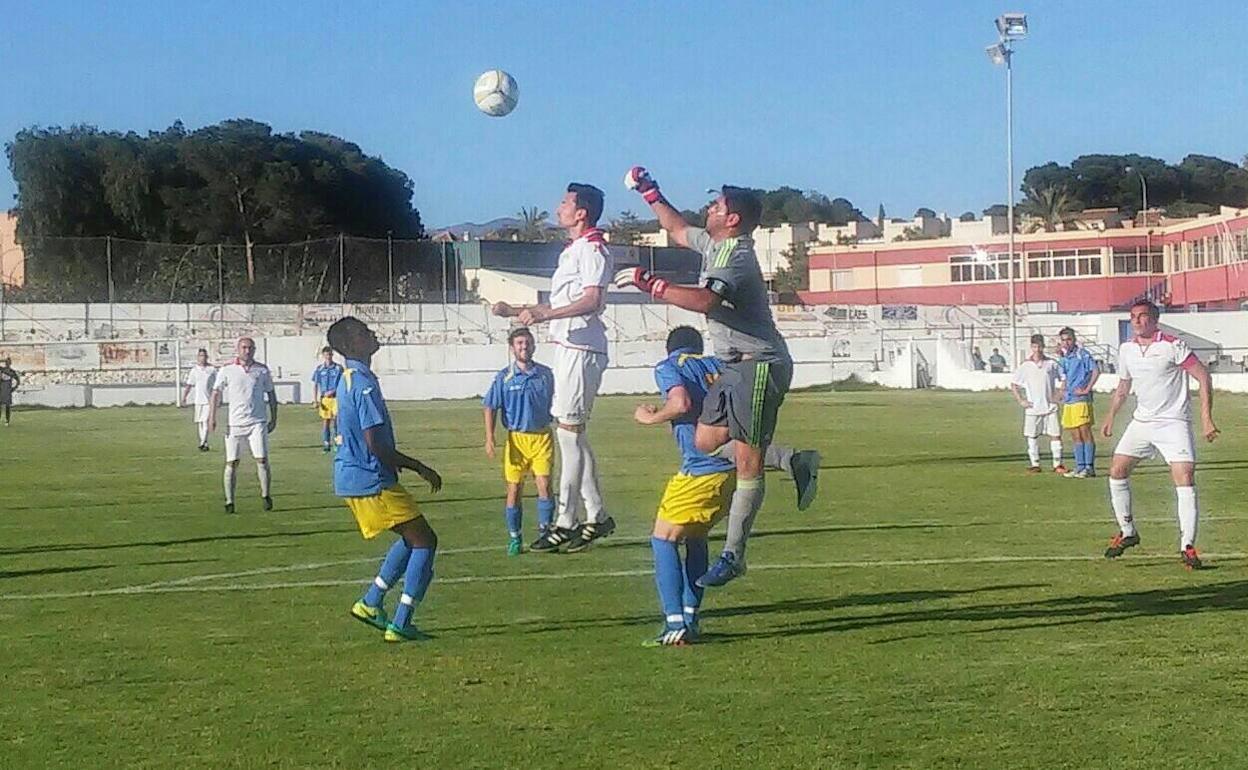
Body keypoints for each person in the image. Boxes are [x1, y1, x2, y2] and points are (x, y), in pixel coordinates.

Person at [617, 167, 817, 587]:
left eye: (718, 205)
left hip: (759, 365)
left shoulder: (735, 256)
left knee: (747, 462)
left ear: (733, 219)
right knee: (704, 442)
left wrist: (651, 285)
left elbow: (706, 301)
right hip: (733, 366)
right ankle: (792, 459)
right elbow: (676, 229)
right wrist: (650, 191)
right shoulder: (715, 245)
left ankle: (734, 555)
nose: (710, 207)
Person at [491, 183, 616, 553]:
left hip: (582, 347)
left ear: (581, 212)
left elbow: (592, 300)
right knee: (572, 435)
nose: (558, 208)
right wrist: (516, 311)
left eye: (565, 202)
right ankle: (597, 514)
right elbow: (558, 304)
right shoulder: (574, 250)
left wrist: (545, 314)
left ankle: (566, 520)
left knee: (568, 434)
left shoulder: (593, 249)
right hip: (568, 347)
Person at [329, 316, 443, 643]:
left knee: (411, 537)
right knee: (425, 541)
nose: (372, 333)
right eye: (364, 332)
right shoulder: (362, 385)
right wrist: (419, 466)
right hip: (370, 479)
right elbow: (375, 445)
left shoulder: (350, 378)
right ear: (351, 345)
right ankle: (401, 622)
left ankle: (371, 602)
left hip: (355, 476)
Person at [634, 326, 736, 646]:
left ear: (670, 348)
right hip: (731, 468)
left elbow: (680, 403)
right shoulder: (717, 365)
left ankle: (674, 623)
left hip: (701, 470)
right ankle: (690, 618)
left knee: (663, 540)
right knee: (695, 537)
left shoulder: (670, 366)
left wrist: (649, 417)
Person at [1100, 300, 1219, 570]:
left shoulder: (1173, 345)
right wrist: (1110, 416)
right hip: (1142, 422)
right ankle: (1128, 532)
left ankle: (1187, 546)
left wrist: (1206, 419)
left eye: (1142, 316)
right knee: (1117, 470)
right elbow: (1123, 386)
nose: (1137, 321)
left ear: (1154, 320)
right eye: (1133, 316)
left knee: (1184, 477)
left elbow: (1203, 376)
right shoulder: (1127, 349)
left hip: (1173, 422)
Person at [482, 327, 556, 556]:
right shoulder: (504, 377)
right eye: (519, 343)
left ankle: (545, 533)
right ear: (512, 348)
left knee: (544, 485)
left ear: (533, 345)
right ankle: (515, 537)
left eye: (527, 342)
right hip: (516, 440)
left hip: (542, 437)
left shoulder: (546, 374)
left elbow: (558, 400)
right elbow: (490, 406)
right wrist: (490, 437)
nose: (524, 346)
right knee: (514, 489)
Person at [208, 337, 278, 514]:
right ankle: (229, 501)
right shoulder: (227, 369)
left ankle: (266, 495)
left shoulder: (261, 370)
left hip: (257, 422)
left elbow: (271, 394)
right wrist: (211, 417)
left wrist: (274, 418)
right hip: (235, 423)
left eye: (250, 348)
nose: (247, 351)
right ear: (238, 349)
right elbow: (216, 393)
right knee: (232, 462)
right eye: (244, 347)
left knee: (262, 459)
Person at [1010, 334, 1065, 474]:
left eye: (1040, 346)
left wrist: (1059, 394)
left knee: (1055, 435)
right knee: (1032, 435)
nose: (1037, 349)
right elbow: (1014, 384)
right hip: (1033, 408)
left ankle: (1057, 464)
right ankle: (1035, 464)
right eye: (1035, 346)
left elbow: (1064, 378)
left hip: (1050, 406)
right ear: (1031, 347)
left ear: (1043, 347)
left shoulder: (1051, 363)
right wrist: (1021, 400)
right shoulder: (1025, 365)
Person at [1057, 327, 1101, 478]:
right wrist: (1061, 392)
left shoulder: (1082, 354)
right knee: (1075, 435)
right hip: (1069, 400)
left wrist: (1087, 389)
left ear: (1074, 340)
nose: (1066, 343)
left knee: (1085, 432)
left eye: (1069, 339)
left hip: (1081, 399)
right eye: (1063, 340)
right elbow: (1064, 378)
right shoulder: (1063, 358)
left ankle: (1089, 467)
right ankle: (1080, 466)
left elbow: (1095, 371)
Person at [181, 348, 217, 451]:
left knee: (205, 421)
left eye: (204, 356)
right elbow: (189, 384)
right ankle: (204, 443)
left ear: (207, 357)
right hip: (198, 400)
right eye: (201, 356)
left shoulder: (212, 370)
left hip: (208, 401)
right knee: (200, 422)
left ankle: (202, 442)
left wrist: (218, 399)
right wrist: (184, 397)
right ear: (197, 357)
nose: (202, 358)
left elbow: (217, 385)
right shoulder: (194, 370)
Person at [311, 346, 344, 453]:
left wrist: (333, 391)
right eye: (326, 355)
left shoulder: (338, 368)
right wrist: (315, 400)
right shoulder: (320, 369)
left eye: (329, 355)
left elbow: (342, 384)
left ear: (332, 355)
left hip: (336, 398)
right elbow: (315, 384)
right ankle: (326, 443)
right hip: (325, 399)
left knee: (337, 422)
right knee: (326, 422)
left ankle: (338, 443)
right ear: (323, 356)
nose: (328, 357)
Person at [0, 357, 20, 426]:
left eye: (8, 362)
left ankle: (7, 420)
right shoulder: (2, 369)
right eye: (6, 362)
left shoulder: (12, 371)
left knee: (7, 406)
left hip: (8, 390)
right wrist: (2, 360)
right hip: (1, 389)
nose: (7, 363)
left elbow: (18, 381)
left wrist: (14, 388)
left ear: (10, 363)